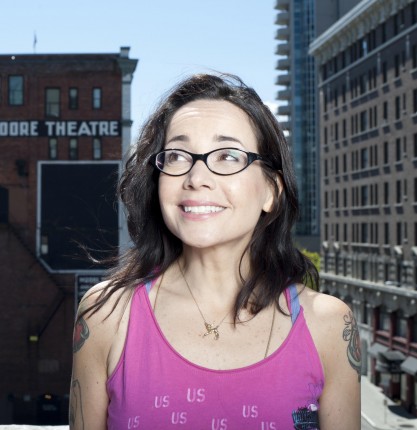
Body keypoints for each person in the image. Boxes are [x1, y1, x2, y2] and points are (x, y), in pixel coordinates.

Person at [69, 73, 361, 430]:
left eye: (227, 155)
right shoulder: (106, 315)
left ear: (271, 191)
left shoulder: (330, 325)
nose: (196, 178)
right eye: (177, 156)